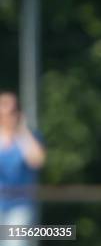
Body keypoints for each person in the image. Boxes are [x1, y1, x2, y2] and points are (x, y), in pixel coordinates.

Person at [0, 91, 46, 244]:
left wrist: (22, 131)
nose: (7, 115)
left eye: (12, 111)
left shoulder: (29, 137)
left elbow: (37, 161)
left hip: (20, 205)